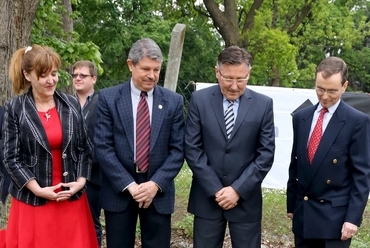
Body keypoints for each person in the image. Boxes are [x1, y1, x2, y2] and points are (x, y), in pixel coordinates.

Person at [0, 44, 98, 248]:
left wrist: (80, 182)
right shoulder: (15, 108)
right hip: (33, 200)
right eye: (43, 75)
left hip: (70, 199)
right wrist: (38, 190)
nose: (51, 80)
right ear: (28, 75)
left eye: (54, 73)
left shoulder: (71, 105)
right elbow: (11, 158)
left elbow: (84, 149)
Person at [94, 38, 185, 248]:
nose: (152, 75)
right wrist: (130, 186)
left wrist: (155, 184)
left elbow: (178, 150)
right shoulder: (109, 98)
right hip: (120, 190)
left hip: (158, 192)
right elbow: (103, 147)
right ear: (130, 65)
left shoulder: (173, 101)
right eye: (145, 69)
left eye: (156, 69)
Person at [185, 46, 275, 248]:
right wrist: (216, 190)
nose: (234, 86)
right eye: (228, 78)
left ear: (248, 74)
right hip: (207, 200)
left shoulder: (263, 105)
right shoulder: (199, 100)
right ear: (217, 72)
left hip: (245, 202)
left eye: (241, 79)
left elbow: (265, 154)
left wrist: (237, 190)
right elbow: (192, 148)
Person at [286, 56, 370, 248]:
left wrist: (352, 219)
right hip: (304, 213)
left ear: (344, 86)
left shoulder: (356, 121)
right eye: (320, 89)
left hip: (336, 220)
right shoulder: (301, 117)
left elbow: (362, 175)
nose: (324, 96)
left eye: (331, 91)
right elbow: (296, 164)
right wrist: (292, 205)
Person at [72, 60, 102, 247]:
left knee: (92, 222)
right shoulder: (65, 103)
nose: (78, 78)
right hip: (69, 173)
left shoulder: (102, 103)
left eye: (83, 75)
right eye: (75, 75)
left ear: (94, 78)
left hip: (95, 175)